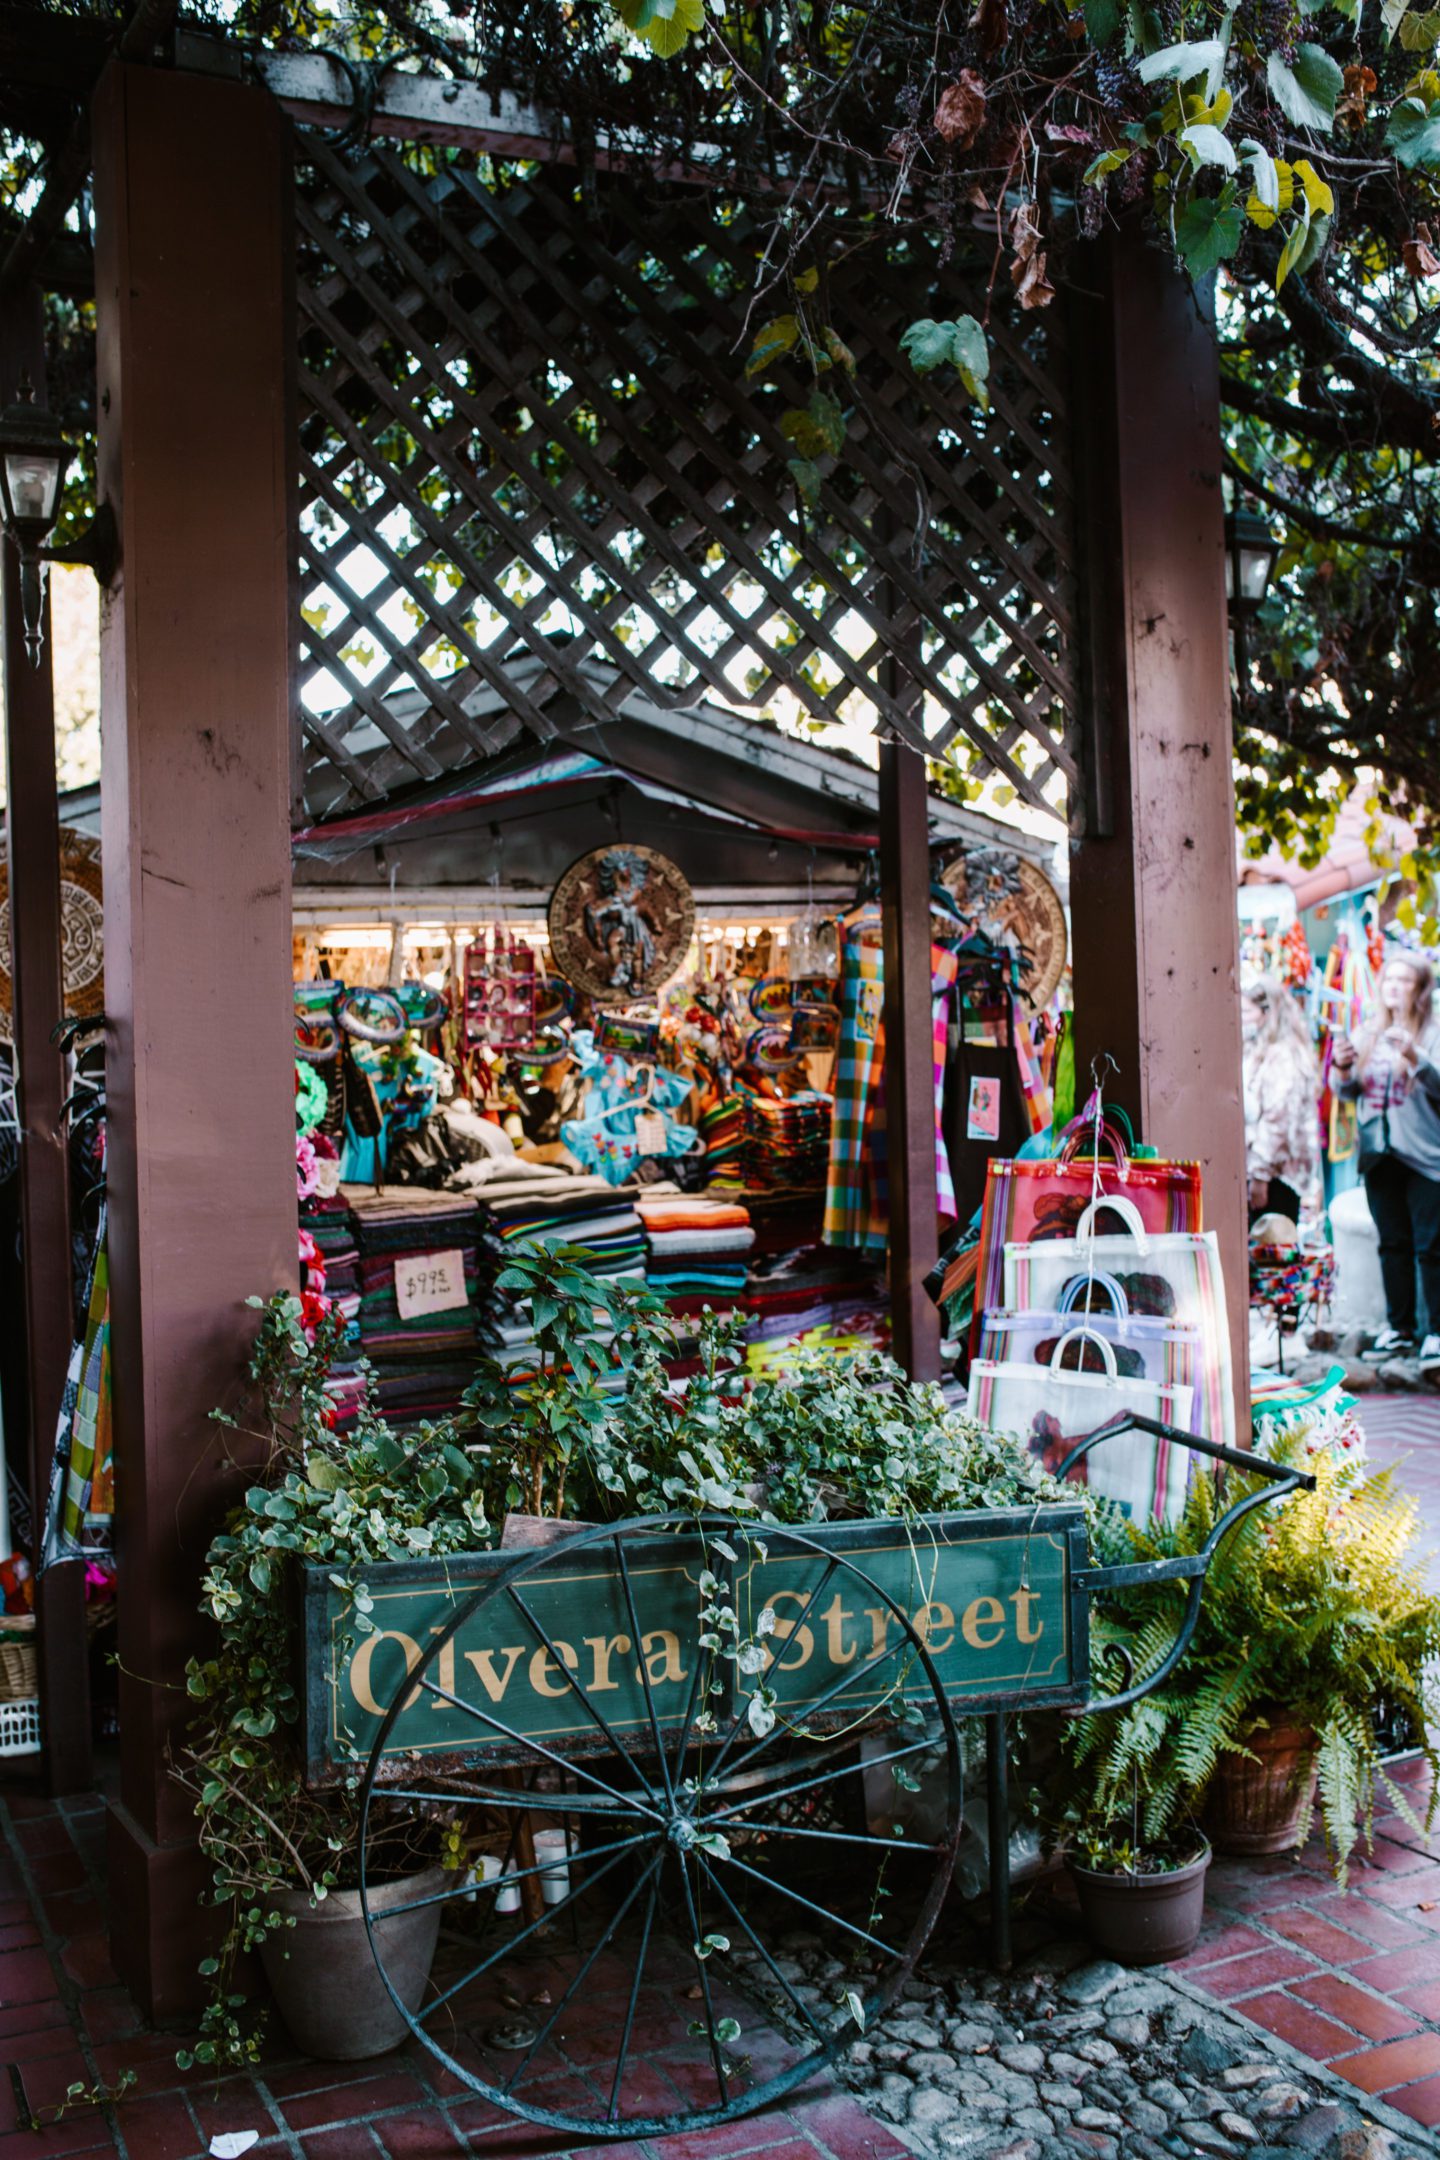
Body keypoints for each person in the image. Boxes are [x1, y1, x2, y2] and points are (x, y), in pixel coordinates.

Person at [1332, 949, 1440, 1370]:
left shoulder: (1432, 1031)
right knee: (1392, 1243)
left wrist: (1416, 1057)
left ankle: (1435, 1332)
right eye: (1389, 979)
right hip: (1380, 1155)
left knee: (1431, 1248)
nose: (1394, 987)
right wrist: (1342, 1070)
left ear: (1419, 989)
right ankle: (1401, 1329)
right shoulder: (1368, 1032)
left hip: (1426, 1155)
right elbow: (1347, 1092)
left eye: (1404, 980)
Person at [1241, 974, 1319, 1224]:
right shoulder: (1256, 1049)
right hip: (1258, 1171)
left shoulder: (1285, 1056)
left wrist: (1260, 1174)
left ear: (1267, 1013)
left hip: (1276, 1177)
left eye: (1245, 1011)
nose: (1239, 1017)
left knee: (1272, 1250)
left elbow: (1278, 1121)